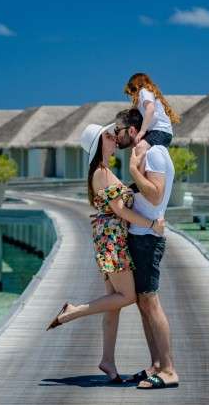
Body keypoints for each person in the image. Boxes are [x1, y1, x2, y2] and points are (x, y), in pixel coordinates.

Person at [46, 123, 165, 384]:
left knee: (114, 303)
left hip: (110, 235)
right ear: (100, 144)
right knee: (128, 296)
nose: (115, 139)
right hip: (112, 238)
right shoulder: (101, 173)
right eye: (109, 136)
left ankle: (107, 361)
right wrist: (151, 225)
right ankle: (73, 311)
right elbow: (120, 210)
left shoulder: (106, 172)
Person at [114, 107, 180, 390]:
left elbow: (155, 193)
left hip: (147, 239)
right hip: (140, 234)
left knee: (151, 302)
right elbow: (146, 193)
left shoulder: (153, 154)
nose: (116, 137)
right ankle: (155, 364)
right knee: (143, 303)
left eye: (118, 131)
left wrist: (131, 170)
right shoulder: (148, 153)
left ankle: (168, 369)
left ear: (132, 130)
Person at [123, 72, 180, 152]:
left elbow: (150, 109)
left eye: (132, 91)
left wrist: (142, 132)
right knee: (141, 150)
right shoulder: (145, 97)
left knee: (140, 148)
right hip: (162, 133)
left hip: (159, 131)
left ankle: (135, 165)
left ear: (136, 86)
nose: (132, 96)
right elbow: (137, 108)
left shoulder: (144, 91)